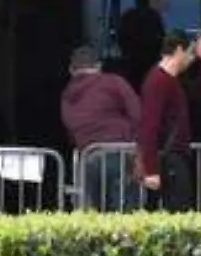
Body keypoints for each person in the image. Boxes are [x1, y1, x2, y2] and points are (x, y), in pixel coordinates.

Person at [60, 46, 144, 211]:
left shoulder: (67, 95)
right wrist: (141, 155)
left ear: (71, 69)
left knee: (90, 218)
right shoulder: (114, 82)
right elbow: (139, 116)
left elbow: (70, 131)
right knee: (124, 216)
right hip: (120, 155)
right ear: (98, 66)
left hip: (87, 157)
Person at [135, 33, 196, 212]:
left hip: (171, 157)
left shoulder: (167, 80)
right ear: (179, 50)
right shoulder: (159, 81)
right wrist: (151, 170)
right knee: (178, 211)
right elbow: (149, 126)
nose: (191, 59)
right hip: (169, 159)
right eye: (190, 53)